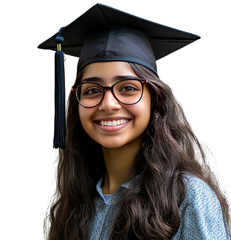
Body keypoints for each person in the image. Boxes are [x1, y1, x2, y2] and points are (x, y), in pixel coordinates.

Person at [38, 3, 230, 240]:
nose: (108, 104)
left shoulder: (188, 198)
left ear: (155, 100)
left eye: (128, 88)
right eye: (92, 91)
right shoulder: (78, 203)